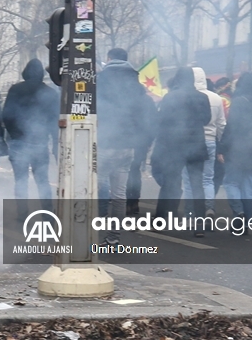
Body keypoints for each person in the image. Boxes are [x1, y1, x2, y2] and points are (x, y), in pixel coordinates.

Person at [96, 49, 150, 245]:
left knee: (96, 187)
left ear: (109, 59)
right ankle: (113, 238)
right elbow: (142, 114)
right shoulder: (135, 82)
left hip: (105, 142)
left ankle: (93, 230)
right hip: (127, 144)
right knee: (119, 195)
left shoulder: (100, 79)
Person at [151, 67, 211, 235]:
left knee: (170, 184)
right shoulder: (202, 97)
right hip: (196, 145)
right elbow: (206, 120)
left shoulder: (170, 97)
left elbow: (162, 121)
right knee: (197, 185)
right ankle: (200, 225)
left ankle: (163, 221)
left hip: (174, 146)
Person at [2, 58, 59, 206]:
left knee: (21, 181)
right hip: (40, 143)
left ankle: (22, 216)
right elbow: (54, 121)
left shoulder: (15, 89)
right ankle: (48, 215)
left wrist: (14, 135)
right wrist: (54, 143)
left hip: (19, 142)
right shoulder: (50, 93)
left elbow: (6, 115)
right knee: (43, 181)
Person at [218, 72, 252, 229]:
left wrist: (222, 148)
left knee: (231, 182)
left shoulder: (238, 101)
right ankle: (247, 221)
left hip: (238, 149)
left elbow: (231, 127)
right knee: (250, 186)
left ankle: (239, 212)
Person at [183, 67, 226, 217]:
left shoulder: (187, 96)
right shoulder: (216, 98)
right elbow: (221, 123)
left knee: (189, 180)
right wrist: (221, 143)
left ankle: (190, 213)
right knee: (208, 178)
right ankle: (209, 208)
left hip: (191, 141)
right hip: (211, 141)